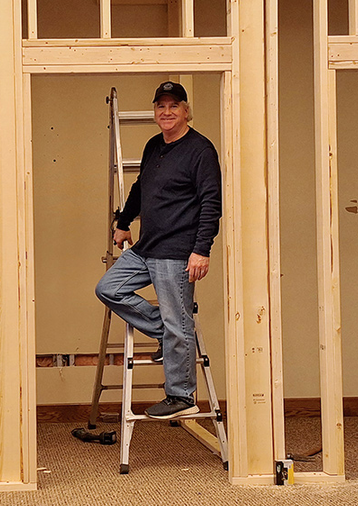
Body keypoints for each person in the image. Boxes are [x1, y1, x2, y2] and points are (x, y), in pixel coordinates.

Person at [95, 81, 222, 419]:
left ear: (185, 111)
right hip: (147, 246)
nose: (166, 112)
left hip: (178, 251)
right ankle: (171, 336)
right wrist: (123, 222)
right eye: (161, 106)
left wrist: (201, 250)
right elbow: (140, 188)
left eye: (174, 106)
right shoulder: (154, 145)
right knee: (109, 288)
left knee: (176, 319)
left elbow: (212, 203)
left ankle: (182, 395)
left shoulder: (200, 150)